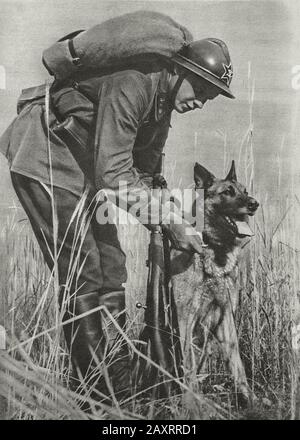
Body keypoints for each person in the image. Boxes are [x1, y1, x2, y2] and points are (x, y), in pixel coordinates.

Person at [0, 36, 235, 400]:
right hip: (44, 159)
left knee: (112, 267)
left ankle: (118, 385)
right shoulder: (135, 83)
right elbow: (114, 174)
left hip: (84, 173)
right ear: (179, 72)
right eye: (201, 88)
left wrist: (169, 214)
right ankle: (99, 396)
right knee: (83, 272)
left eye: (211, 96)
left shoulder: (161, 106)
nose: (202, 101)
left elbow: (141, 173)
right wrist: (170, 223)